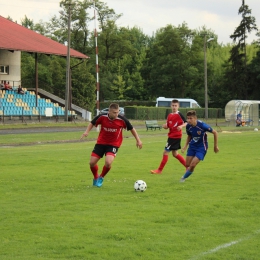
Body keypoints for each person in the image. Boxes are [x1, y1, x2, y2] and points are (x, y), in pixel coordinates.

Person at [80, 103, 143, 187]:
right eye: (114, 112)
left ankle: (101, 177)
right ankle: (96, 177)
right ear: (109, 111)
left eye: (117, 112)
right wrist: (86, 132)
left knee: (108, 162)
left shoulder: (122, 120)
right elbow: (92, 123)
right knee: (92, 163)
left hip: (113, 144)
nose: (116, 114)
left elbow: (132, 129)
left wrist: (138, 140)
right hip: (101, 143)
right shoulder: (102, 117)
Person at [180, 110, 219, 182]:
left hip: (201, 147)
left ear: (195, 118)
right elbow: (189, 136)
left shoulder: (202, 125)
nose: (188, 120)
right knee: (187, 164)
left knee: (193, 165)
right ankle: (188, 172)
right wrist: (185, 146)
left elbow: (215, 133)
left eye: (190, 118)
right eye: (187, 118)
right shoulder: (188, 126)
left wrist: (215, 146)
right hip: (192, 146)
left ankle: (183, 178)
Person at [150, 99, 187, 174]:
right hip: (171, 136)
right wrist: (165, 126)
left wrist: (181, 126)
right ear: (171, 106)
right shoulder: (170, 115)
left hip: (175, 137)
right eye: (173, 105)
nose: (174, 107)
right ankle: (188, 167)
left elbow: (186, 122)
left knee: (165, 152)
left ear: (178, 106)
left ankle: (159, 170)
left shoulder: (179, 114)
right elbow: (168, 125)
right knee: (175, 154)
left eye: (175, 106)